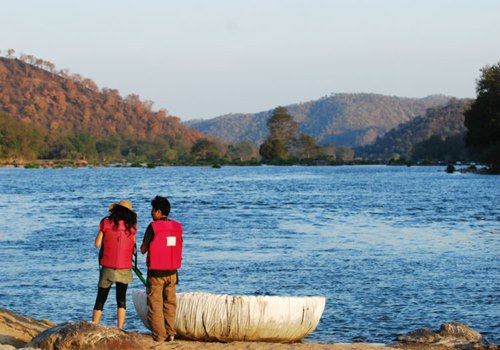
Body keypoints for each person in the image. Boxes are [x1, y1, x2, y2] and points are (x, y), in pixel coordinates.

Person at [141, 195, 183, 342]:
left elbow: (143, 249)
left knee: (155, 304)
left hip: (156, 273)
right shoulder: (177, 227)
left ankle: (159, 335)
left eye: (152, 210)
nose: (151, 213)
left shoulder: (153, 227)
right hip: (172, 272)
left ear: (158, 211)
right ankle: (171, 333)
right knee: (170, 303)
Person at [92, 199, 137, 329]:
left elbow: (97, 244)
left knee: (101, 298)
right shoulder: (131, 226)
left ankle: (94, 325)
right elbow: (134, 248)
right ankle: (120, 327)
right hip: (124, 266)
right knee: (121, 299)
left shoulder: (105, 223)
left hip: (108, 266)